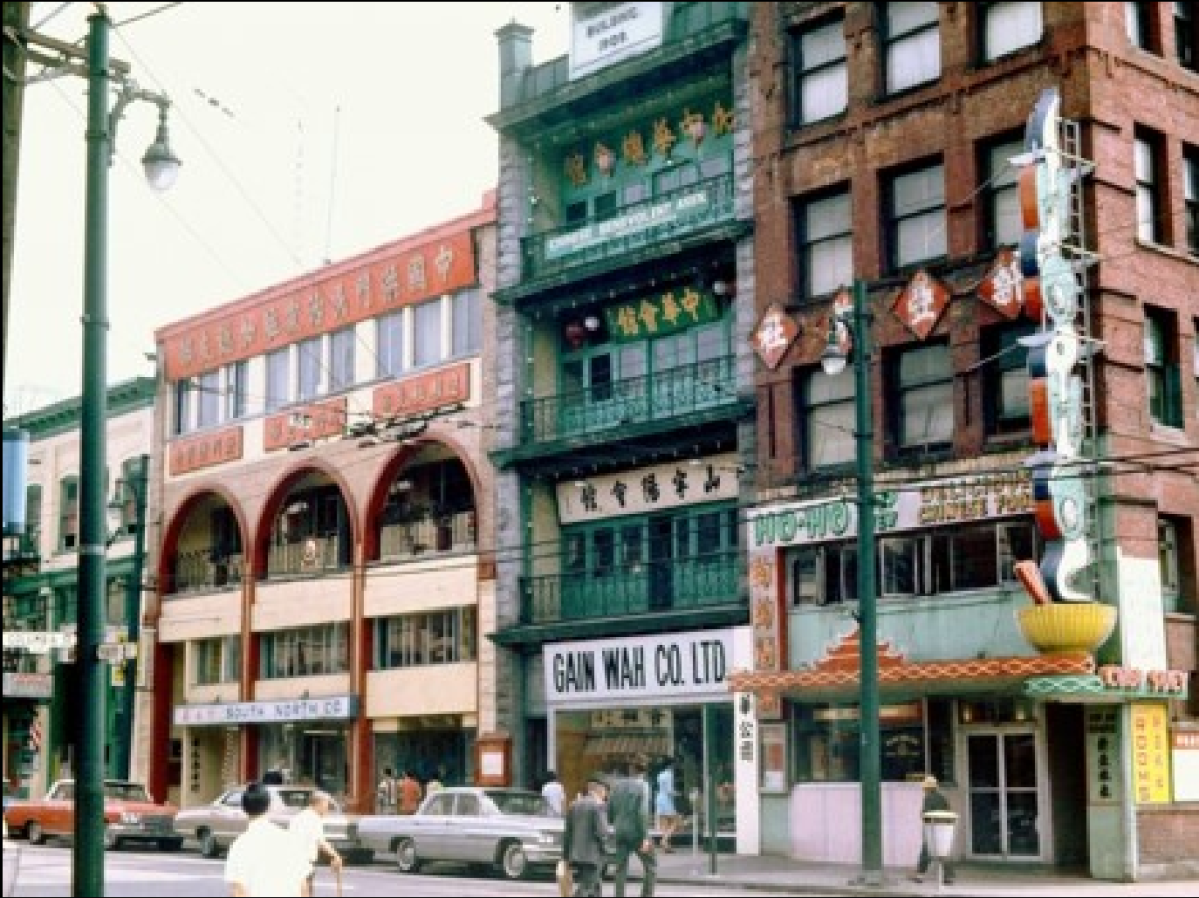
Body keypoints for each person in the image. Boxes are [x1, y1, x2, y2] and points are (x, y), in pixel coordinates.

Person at [224, 782, 311, 897]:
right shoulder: (289, 839)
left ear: (244, 809)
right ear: (269, 806)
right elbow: (303, 886)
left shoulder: (239, 846)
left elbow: (239, 892)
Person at [607, 755, 656, 898]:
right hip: (637, 832)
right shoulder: (643, 786)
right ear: (645, 771)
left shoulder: (617, 785)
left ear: (630, 769)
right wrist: (645, 837)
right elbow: (643, 812)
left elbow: (610, 808)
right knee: (651, 866)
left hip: (620, 830)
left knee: (620, 868)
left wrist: (614, 822)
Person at [563, 774, 610, 898]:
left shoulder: (574, 805)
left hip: (576, 855)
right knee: (586, 888)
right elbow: (603, 832)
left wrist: (565, 856)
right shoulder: (598, 806)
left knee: (595, 887)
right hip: (593, 856)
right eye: (605, 791)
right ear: (599, 790)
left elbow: (568, 833)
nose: (606, 795)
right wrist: (606, 850)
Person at [290, 790, 343, 897]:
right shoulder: (313, 818)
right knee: (306, 893)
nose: (327, 809)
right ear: (319, 803)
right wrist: (335, 855)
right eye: (327, 805)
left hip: (294, 863)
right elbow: (320, 842)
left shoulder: (298, 817)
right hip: (304, 864)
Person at [914, 775, 955, 885]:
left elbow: (925, 814)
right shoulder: (942, 797)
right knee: (944, 853)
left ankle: (920, 875)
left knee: (926, 851)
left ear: (927, 788)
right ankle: (949, 877)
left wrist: (922, 816)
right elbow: (949, 812)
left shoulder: (928, 798)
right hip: (944, 828)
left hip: (932, 828)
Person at [653, 758, 680, 852]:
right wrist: (677, 794)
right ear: (670, 766)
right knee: (676, 821)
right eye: (674, 765)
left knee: (664, 823)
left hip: (659, 799)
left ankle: (666, 846)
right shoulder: (669, 775)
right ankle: (664, 841)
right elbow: (669, 790)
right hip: (666, 800)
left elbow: (661, 787)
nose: (675, 766)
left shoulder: (660, 774)